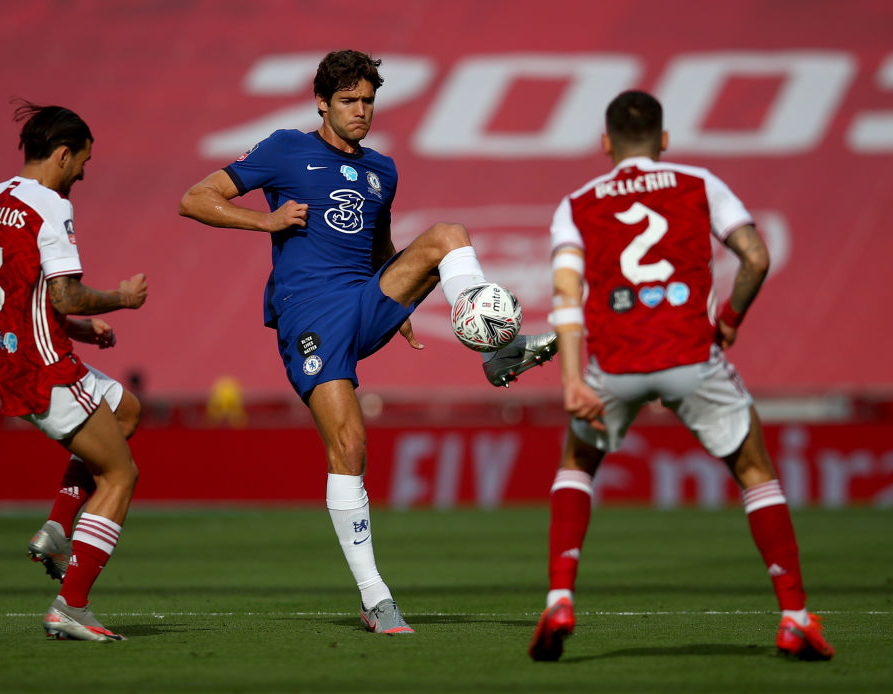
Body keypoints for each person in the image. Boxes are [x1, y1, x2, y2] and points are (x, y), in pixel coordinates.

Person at [179, 49, 555, 634]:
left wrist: (399, 302)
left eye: (368, 101)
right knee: (351, 444)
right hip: (311, 314)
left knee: (447, 236)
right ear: (322, 103)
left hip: (366, 301)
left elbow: (381, 246)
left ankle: (497, 349)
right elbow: (196, 198)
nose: (361, 111)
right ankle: (375, 595)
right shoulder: (284, 147)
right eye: (349, 101)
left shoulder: (383, 170)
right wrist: (267, 221)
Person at [527, 90, 834, 662]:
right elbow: (757, 257)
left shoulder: (577, 203)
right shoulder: (698, 182)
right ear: (664, 141)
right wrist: (730, 321)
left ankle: (560, 599)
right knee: (753, 469)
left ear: (605, 144)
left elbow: (567, 295)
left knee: (577, 465)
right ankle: (794, 617)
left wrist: (573, 379)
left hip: (612, 364)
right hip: (691, 355)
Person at [0, 100, 148, 641]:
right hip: (46, 367)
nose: (84, 174)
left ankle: (56, 526)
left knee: (127, 413)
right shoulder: (50, 205)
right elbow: (65, 295)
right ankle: (71, 604)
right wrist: (120, 298)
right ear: (63, 155)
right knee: (121, 474)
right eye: (82, 162)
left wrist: (78, 329)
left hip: (6, 358)